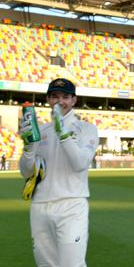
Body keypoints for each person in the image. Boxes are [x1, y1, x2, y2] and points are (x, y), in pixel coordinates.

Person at [19, 78, 99, 267]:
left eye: (65, 97)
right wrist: (29, 147)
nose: (59, 101)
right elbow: (26, 172)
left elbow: (80, 163)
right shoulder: (40, 130)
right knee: (46, 265)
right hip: (40, 206)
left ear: (73, 100)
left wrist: (63, 134)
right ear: (48, 99)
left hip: (71, 205)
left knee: (72, 264)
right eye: (54, 96)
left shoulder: (86, 129)